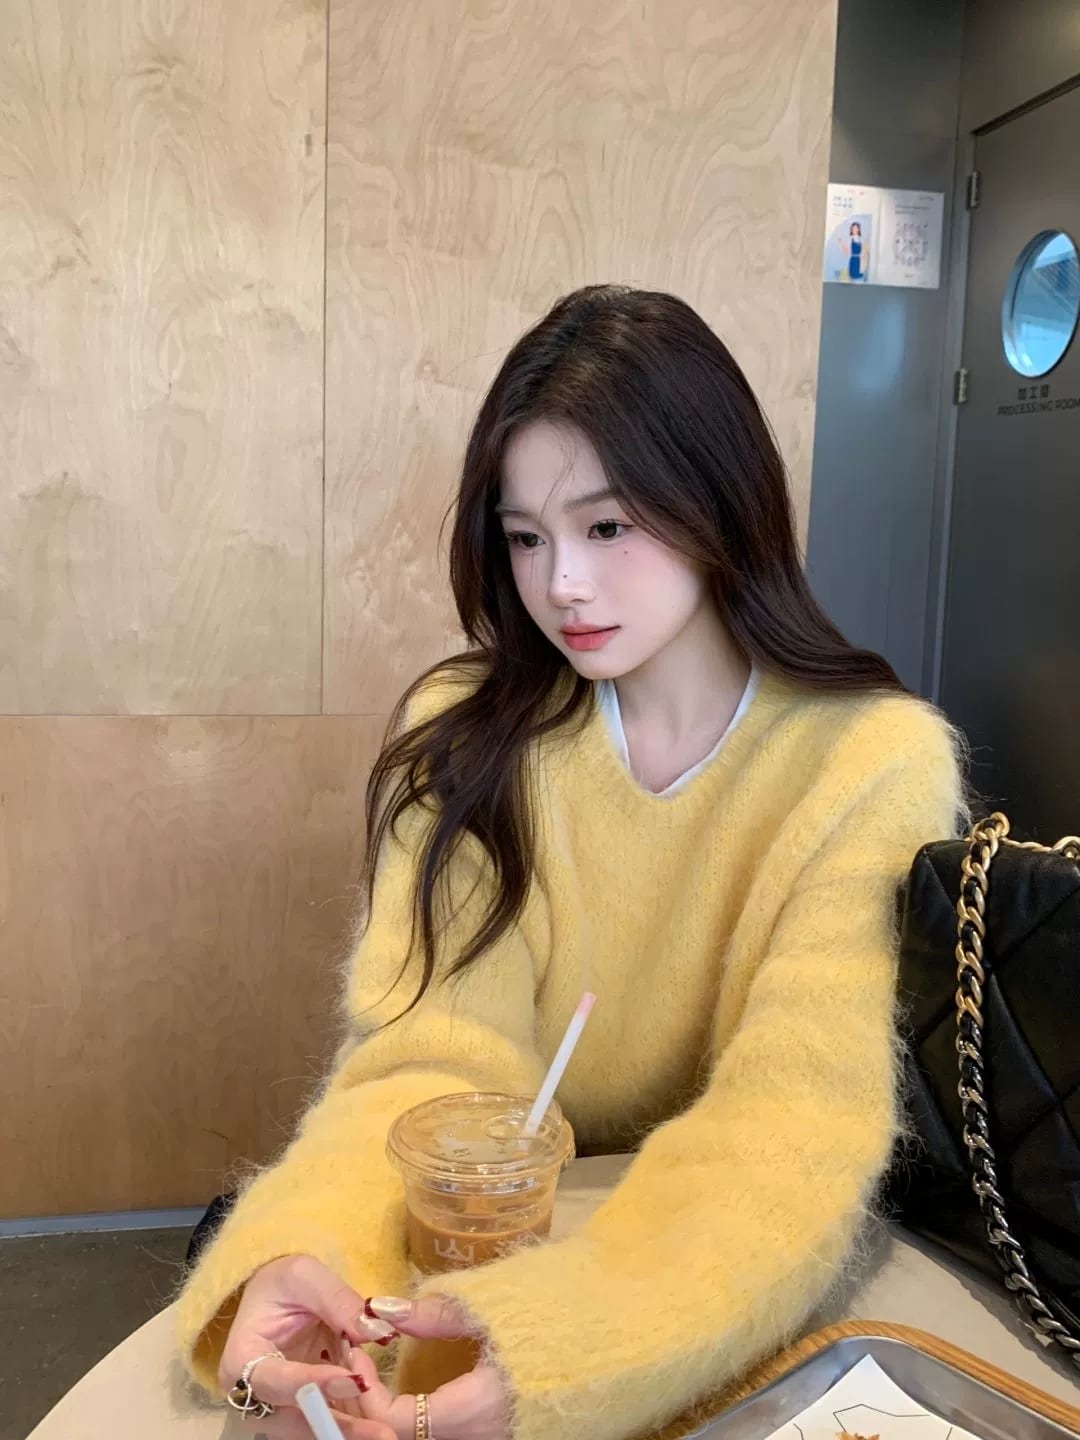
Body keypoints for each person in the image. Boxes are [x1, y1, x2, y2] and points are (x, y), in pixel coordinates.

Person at [174, 285, 963, 1440]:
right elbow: (425, 1067)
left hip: (711, 1290)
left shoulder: (868, 762)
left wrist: (571, 1353)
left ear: (720, 503)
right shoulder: (471, 735)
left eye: (607, 527)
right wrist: (306, 1259)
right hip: (490, 1247)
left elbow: (793, 1125)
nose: (562, 587)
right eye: (526, 536)